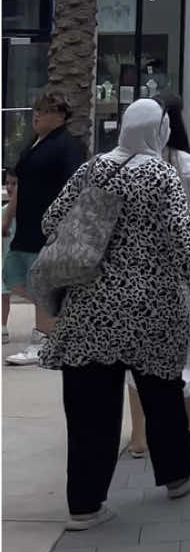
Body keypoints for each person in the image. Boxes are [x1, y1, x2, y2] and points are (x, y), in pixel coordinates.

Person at [39, 100, 190, 529]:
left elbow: (51, 220)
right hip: (150, 307)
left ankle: (85, 505)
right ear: (161, 130)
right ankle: (175, 475)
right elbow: (182, 236)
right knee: (162, 394)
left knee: (89, 410)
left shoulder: (93, 168)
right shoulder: (159, 174)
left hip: (90, 309)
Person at [127, 96, 190, 453]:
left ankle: (140, 436)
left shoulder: (122, 162)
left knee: (139, 346)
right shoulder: (184, 162)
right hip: (179, 265)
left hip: (133, 266)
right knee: (189, 338)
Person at [4, 92, 86, 365]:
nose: (36, 115)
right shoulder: (34, 144)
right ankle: (62, 317)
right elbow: (21, 183)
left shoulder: (67, 146)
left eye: (44, 111)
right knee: (13, 276)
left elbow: (74, 188)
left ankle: (43, 340)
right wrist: (7, 219)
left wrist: (66, 227)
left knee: (40, 282)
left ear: (60, 116)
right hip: (25, 226)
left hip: (48, 229)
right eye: (36, 110)